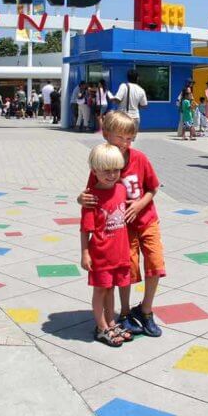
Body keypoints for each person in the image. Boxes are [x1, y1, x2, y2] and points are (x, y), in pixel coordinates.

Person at [78, 112, 166, 338]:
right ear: (106, 135)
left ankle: (146, 310)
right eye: (121, 138)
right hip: (122, 228)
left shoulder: (140, 159)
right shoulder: (102, 163)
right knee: (128, 268)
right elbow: (92, 195)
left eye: (130, 138)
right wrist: (81, 199)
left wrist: (139, 205)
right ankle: (125, 313)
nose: (126, 143)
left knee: (155, 262)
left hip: (147, 219)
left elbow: (153, 188)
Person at [80, 143, 134, 347]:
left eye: (116, 170)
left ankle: (111, 322)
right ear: (94, 171)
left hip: (119, 253)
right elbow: (85, 229)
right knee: (100, 290)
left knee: (111, 289)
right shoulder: (91, 198)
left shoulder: (121, 189)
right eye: (106, 171)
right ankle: (101, 327)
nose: (112, 175)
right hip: (100, 254)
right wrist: (85, 253)